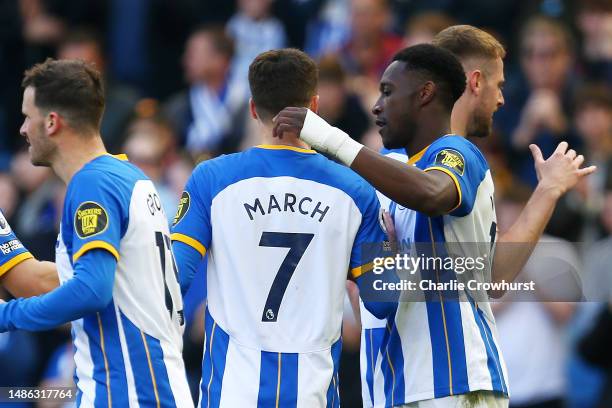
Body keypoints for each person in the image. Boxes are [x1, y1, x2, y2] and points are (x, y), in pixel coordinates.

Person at [273, 43, 595, 407]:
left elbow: (433, 194)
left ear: (425, 93)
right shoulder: (379, 177)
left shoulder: (457, 153)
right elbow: (377, 300)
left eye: (388, 92)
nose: (376, 105)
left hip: (453, 382)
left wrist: (331, 138)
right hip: (389, 385)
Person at [170, 48, 388, 406]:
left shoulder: (211, 179)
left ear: (253, 108)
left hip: (231, 391)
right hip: (312, 393)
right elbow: (384, 301)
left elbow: (174, 275)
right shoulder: (355, 191)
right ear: (314, 107)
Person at [0, 59, 192, 407]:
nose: (23, 128)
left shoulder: (93, 184)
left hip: (129, 392)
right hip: (150, 389)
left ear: (52, 122)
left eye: (28, 116)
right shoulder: (125, 177)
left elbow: (90, 290)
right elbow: (54, 281)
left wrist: (5, 316)